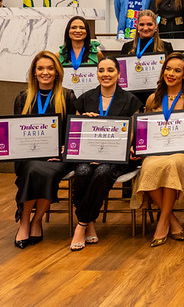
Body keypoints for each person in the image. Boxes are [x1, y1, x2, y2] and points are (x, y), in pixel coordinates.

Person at [0, 51, 77, 249]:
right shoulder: (23, 97)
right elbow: (16, 130)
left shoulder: (67, 96)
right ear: (34, 73)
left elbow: (73, 130)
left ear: (57, 72)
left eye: (50, 68)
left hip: (57, 156)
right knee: (33, 168)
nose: (45, 72)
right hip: (28, 155)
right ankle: (26, 220)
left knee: (42, 171)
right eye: (40, 68)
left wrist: (64, 150)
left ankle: (36, 221)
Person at [130, 53, 184, 247]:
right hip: (156, 152)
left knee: (172, 164)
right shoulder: (152, 99)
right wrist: (138, 146)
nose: (171, 73)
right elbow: (145, 129)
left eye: (177, 70)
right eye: (168, 69)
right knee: (149, 168)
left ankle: (161, 223)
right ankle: (170, 219)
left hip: (183, 153)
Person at [70, 57, 143, 251]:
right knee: (83, 171)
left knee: (102, 171)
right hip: (88, 153)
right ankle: (90, 221)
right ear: (97, 74)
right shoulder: (85, 99)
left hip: (118, 156)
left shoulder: (130, 100)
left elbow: (133, 133)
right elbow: (76, 134)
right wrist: (84, 120)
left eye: (111, 70)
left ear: (119, 74)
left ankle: (82, 224)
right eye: (101, 70)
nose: (106, 74)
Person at [120, 10, 174, 105]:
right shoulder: (127, 47)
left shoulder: (166, 47)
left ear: (156, 26)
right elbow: (122, 75)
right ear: (137, 26)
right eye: (142, 25)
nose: (145, 28)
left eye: (149, 24)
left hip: (158, 96)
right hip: (132, 97)